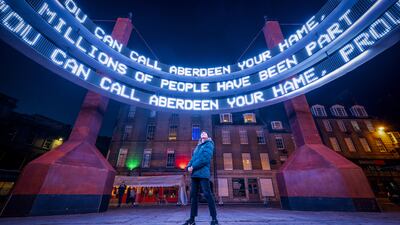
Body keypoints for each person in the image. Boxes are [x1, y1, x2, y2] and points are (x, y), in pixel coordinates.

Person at [182, 130, 219, 225]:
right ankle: (192, 219)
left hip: (203, 173)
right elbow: (193, 158)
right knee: (193, 196)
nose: (203, 133)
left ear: (207, 136)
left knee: (207, 194)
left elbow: (205, 159)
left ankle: (214, 219)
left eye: (205, 132)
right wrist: (188, 166)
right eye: (202, 133)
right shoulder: (198, 147)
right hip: (194, 174)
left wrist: (193, 166)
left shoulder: (209, 144)